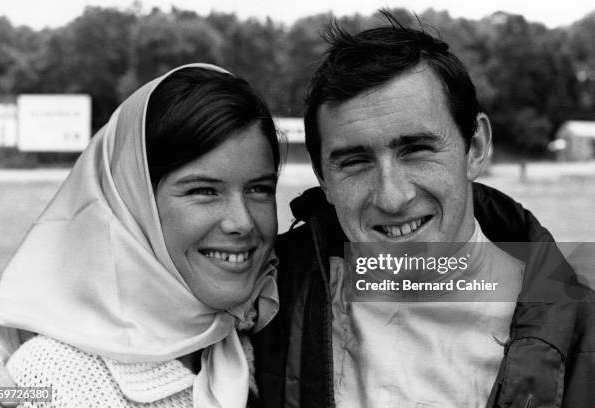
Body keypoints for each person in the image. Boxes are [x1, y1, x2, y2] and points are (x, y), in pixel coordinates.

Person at [252, 12, 595, 408]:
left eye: (416, 150)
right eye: (355, 161)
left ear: (477, 147)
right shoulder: (265, 302)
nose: (392, 198)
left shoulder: (580, 331)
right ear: (323, 178)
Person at [0, 63, 282, 407]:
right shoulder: (47, 379)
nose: (241, 222)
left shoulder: (277, 299)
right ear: (133, 204)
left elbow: (358, 293)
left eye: (260, 189)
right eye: (204, 191)